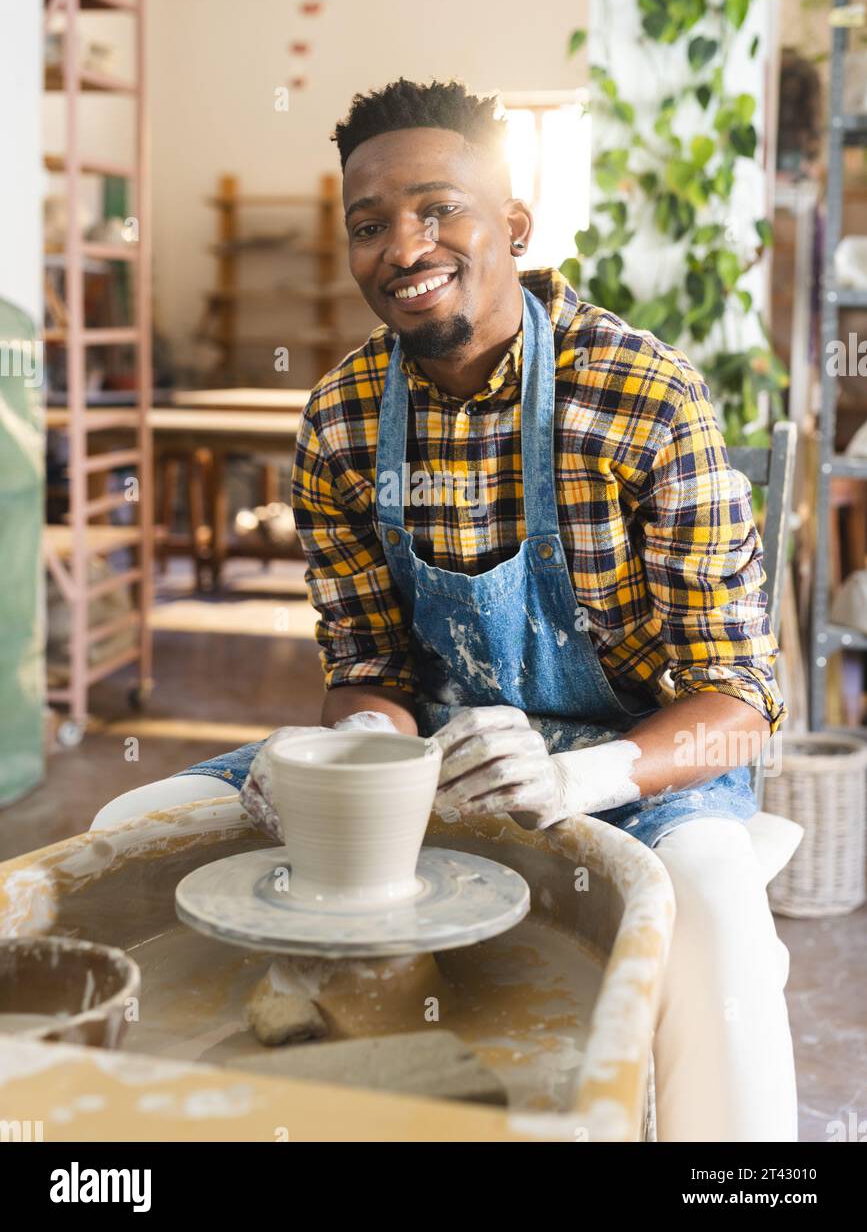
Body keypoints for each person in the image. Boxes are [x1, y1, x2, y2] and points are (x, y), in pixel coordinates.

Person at [94, 78, 799, 1140]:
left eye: (438, 209)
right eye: (369, 225)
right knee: (129, 830)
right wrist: (351, 757)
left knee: (711, 911)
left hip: (642, 768)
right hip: (430, 772)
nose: (404, 246)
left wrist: (577, 775)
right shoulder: (339, 417)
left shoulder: (646, 397)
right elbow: (367, 667)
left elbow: (738, 700)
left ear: (513, 224)